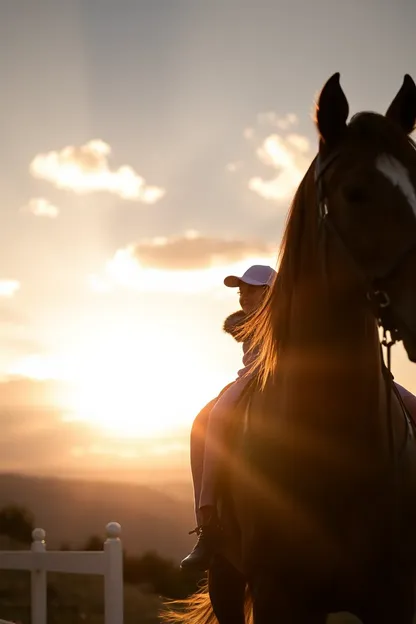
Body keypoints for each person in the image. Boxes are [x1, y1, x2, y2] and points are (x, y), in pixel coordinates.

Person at [181, 264, 277, 571]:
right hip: (250, 379)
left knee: (405, 401)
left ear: (270, 292)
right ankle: (208, 524)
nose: (243, 296)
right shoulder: (256, 320)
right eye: (241, 290)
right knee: (207, 420)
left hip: (286, 376)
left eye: (251, 289)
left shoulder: (286, 317)